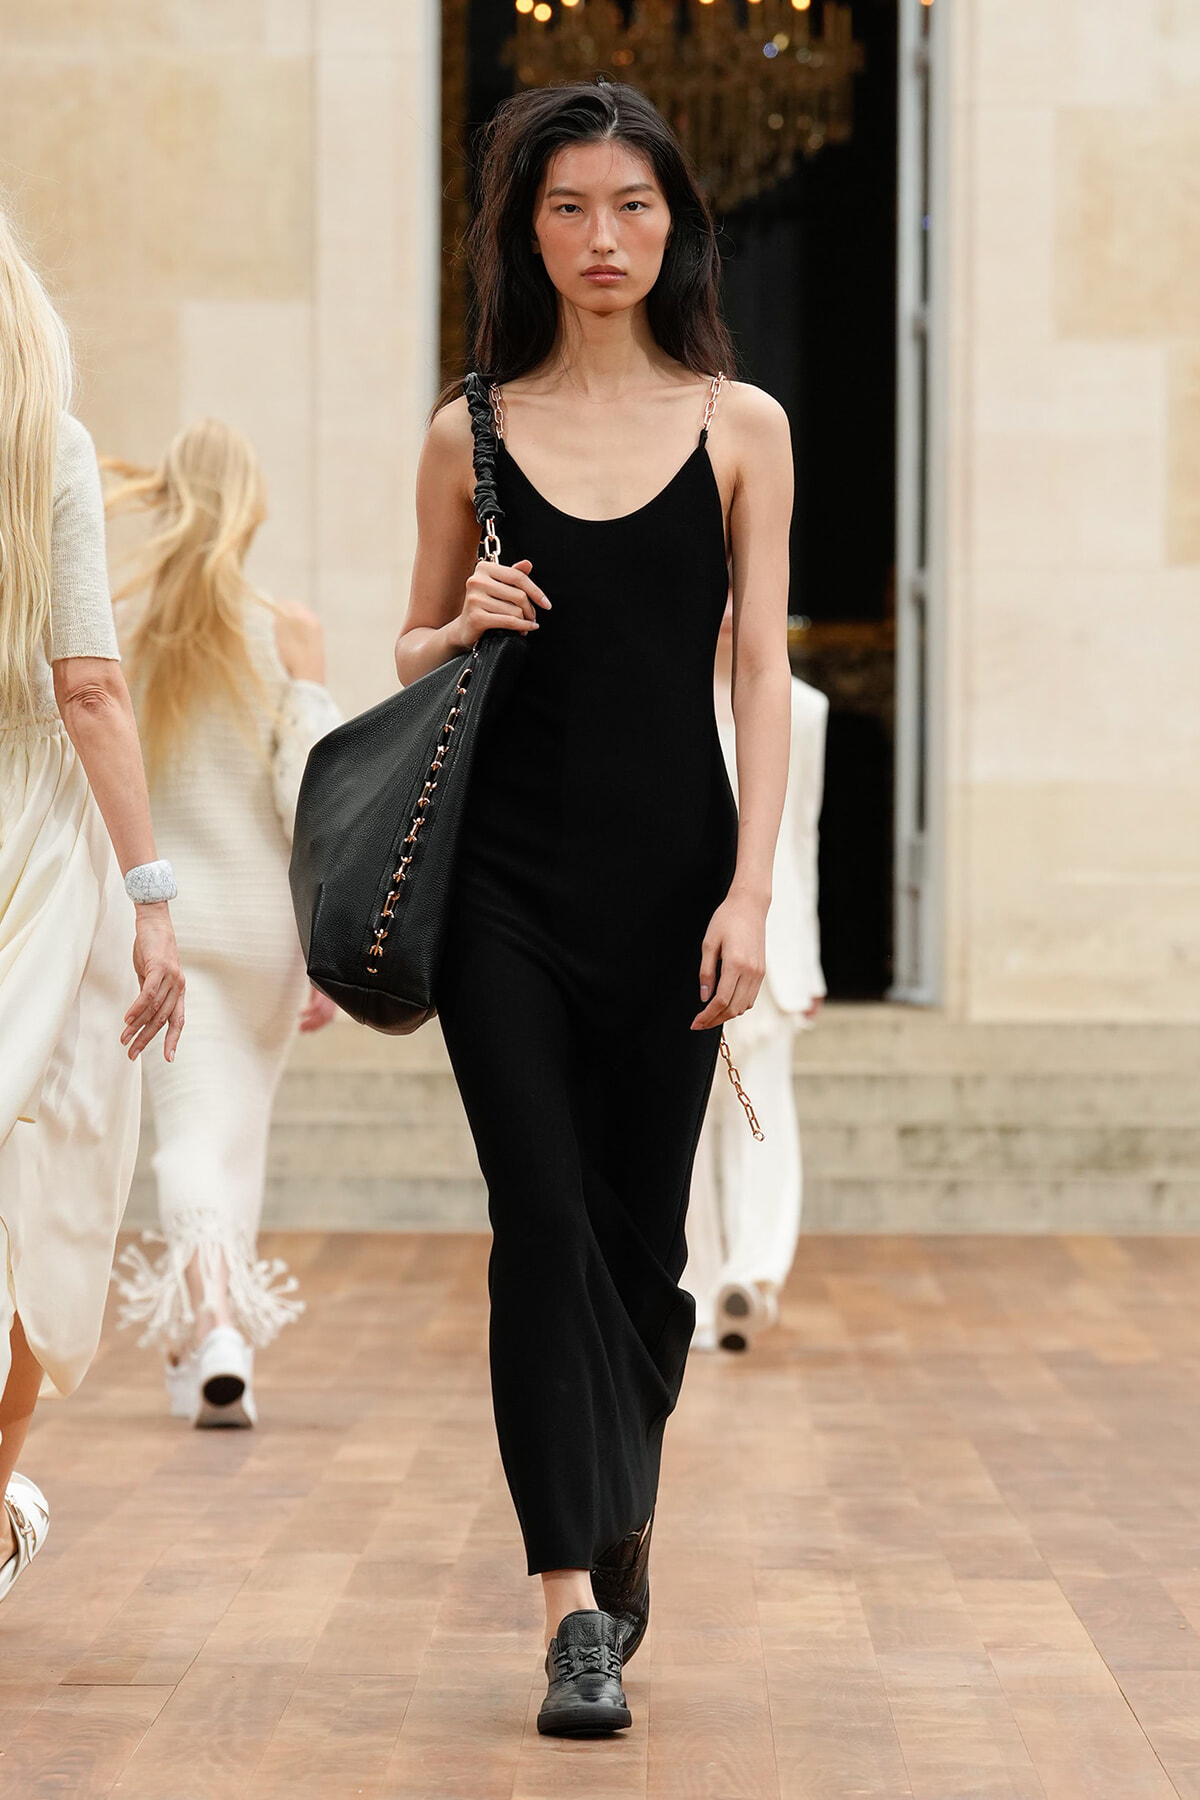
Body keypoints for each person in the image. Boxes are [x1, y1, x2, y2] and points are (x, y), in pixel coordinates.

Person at [395, 79, 792, 1736]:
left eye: (631, 205)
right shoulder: (466, 430)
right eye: (568, 208)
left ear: (673, 221)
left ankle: (622, 1517)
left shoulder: (741, 425)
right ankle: (569, 1601)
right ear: (526, 233)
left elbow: (758, 672)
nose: (603, 237)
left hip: (675, 885)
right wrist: (462, 617)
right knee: (541, 1224)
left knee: (641, 1262)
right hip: (503, 888)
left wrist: (755, 892)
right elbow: (404, 658)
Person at [0, 204, 185, 1602]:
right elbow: (89, 686)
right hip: (38, 843)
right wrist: (152, 893)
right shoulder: (46, 448)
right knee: (50, 1169)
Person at [105, 421, 341, 1428]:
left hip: (166, 923)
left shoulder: (121, 626)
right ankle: (210, 1341)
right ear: (251, 503)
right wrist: (327, 943)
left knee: (191, 1136)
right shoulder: (286, 627)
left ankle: (211, 1328)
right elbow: (316, 795)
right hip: (267, 937)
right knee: (234, 1135)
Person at [685, 598, 827, 1353]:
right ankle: (699, 1290)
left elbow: (798, 838)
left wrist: (804, 958)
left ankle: (754, 1273)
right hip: (681, 942)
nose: (730, 612)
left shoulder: (804, 712)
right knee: (687, 1128)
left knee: (762, 1109)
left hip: (771, 948)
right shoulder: (668, 701)